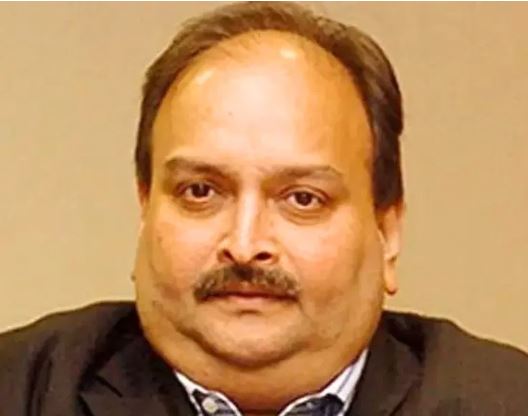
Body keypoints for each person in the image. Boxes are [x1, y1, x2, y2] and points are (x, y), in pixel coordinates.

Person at [1, 2, 527, 415]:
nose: (245, 244)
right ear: (146, 212)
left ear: (387, 233)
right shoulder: (21, 389)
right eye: (200, 192)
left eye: (302, 199)